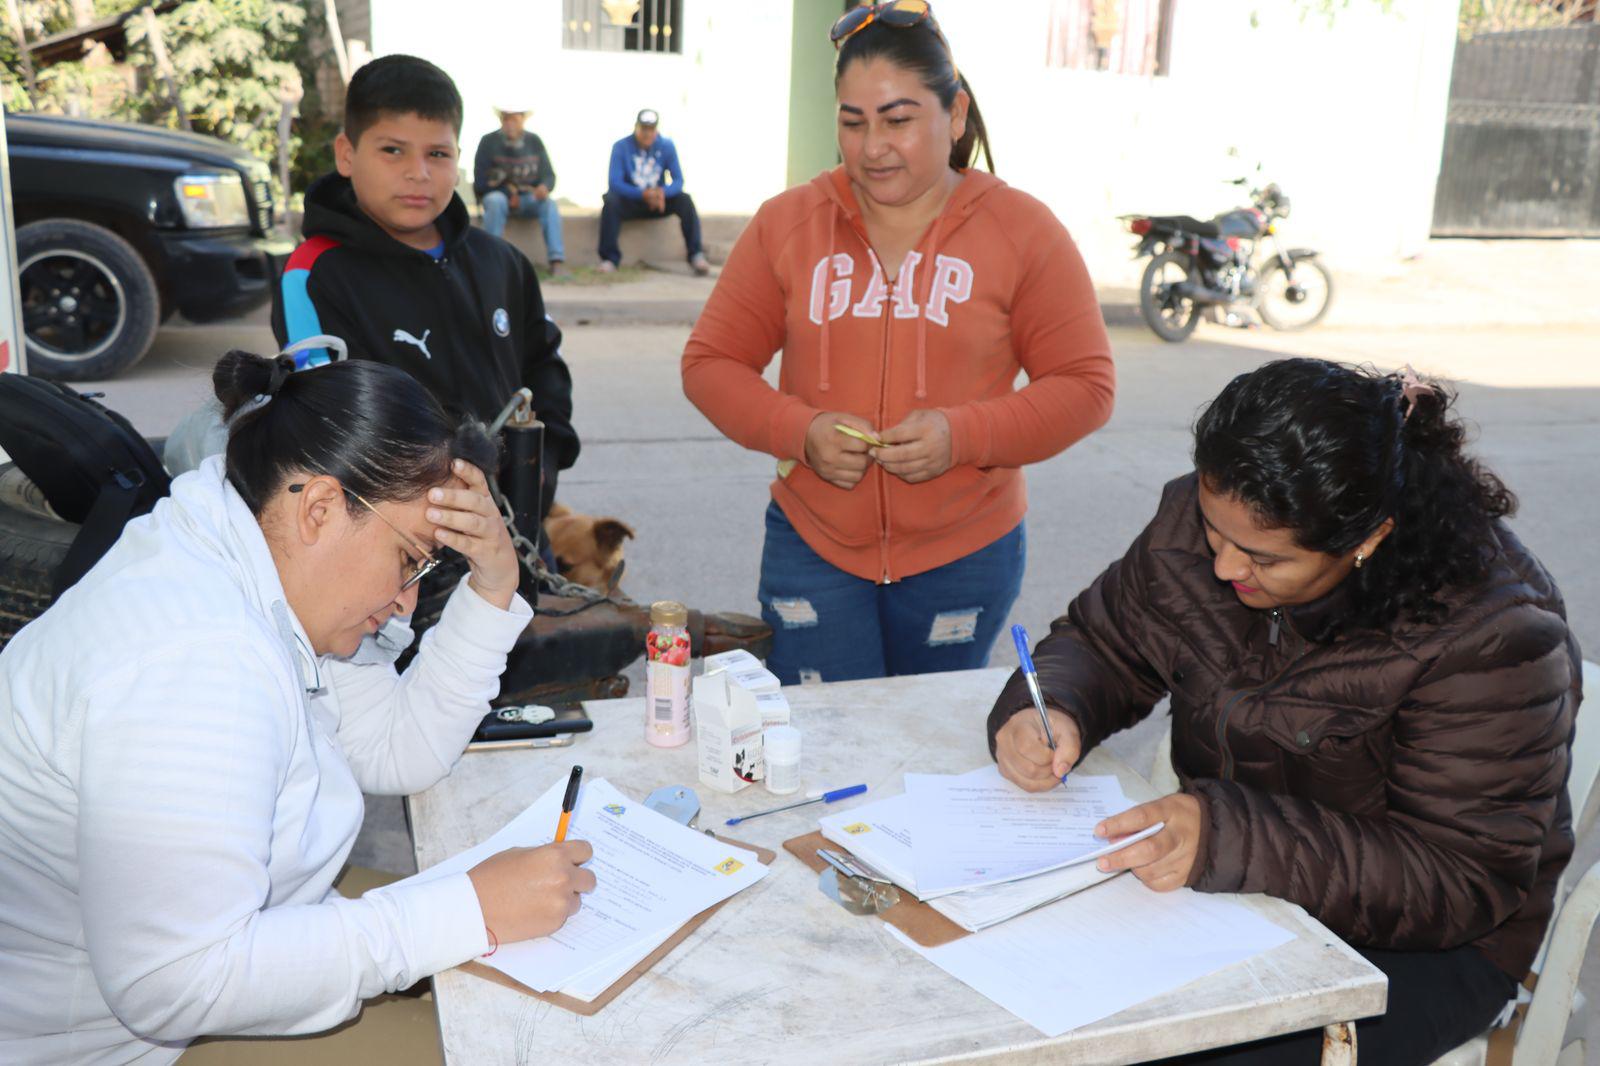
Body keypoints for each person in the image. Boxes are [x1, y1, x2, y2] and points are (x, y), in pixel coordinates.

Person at [0, 350, 595, 1064]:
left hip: (198, 976)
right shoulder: (192, 659)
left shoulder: (251, 559)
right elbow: (176, 983)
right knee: (527, 1042)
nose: (407, 600)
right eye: (410, 559)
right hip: (117, 1046)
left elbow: (395, 747)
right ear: (318, 508)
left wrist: (494, 582)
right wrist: (463, 911)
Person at [990, 359, 1581, 1065]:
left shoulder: (1491, 634)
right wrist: (1052, 705)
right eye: (1215, 534)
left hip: (1431, 943)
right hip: (1235, 881)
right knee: (1026, 994)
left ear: (1367, 540)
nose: (1224, 569)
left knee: (1176, 1047)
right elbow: (1107, 640)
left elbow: (1459, 877)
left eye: (1264, 560)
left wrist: (1226, 834)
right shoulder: (1213, 520)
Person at [681, 2, 1114, 685]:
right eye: (852, 122)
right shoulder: (787, 224)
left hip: (966, 550)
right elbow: (710, 364)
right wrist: (801, 429)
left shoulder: (1023, 230)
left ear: (957, 115)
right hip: (813, 544)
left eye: (899, 120)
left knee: (927, 748)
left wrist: (961, 435)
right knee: (821, 742)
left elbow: (1086, 386)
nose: (872, 147)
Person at [272, 54, 578, 525]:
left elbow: (544, 368)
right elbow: (330, 426)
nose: (419, 173)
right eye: (393, 150)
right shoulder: (312, 276)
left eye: (438, 153)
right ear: (347, 155)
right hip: (398, 552)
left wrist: (542, 466)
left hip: (515, 531)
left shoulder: (503, 263)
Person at [599, 108, 710, 275]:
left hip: (658, 202)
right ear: (636, 127)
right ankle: (610, 259)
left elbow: (678, 180)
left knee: (685, 200)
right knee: (611, 201)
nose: (647, 133)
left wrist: (661, 193)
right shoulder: (621, 147)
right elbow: (614, 183)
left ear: (656, 129)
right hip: (632, 202)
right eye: (643, 129)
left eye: (651, 129)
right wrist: (643, 194)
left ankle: (696, 255)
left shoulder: (666, 146)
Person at [473, 102, 566, 272]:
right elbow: (479, 184)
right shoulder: (488, 142)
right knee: (495, 200)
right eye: (506, 119)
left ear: (522, 120)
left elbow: (549, 175)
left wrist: (545, 187)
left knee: (549, 204)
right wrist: (507, 193)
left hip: (528, 198)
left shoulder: (534, 141)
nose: (510, 124)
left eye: (514, 119)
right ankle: (491, 260)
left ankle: (556, 261)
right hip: (499, 198)